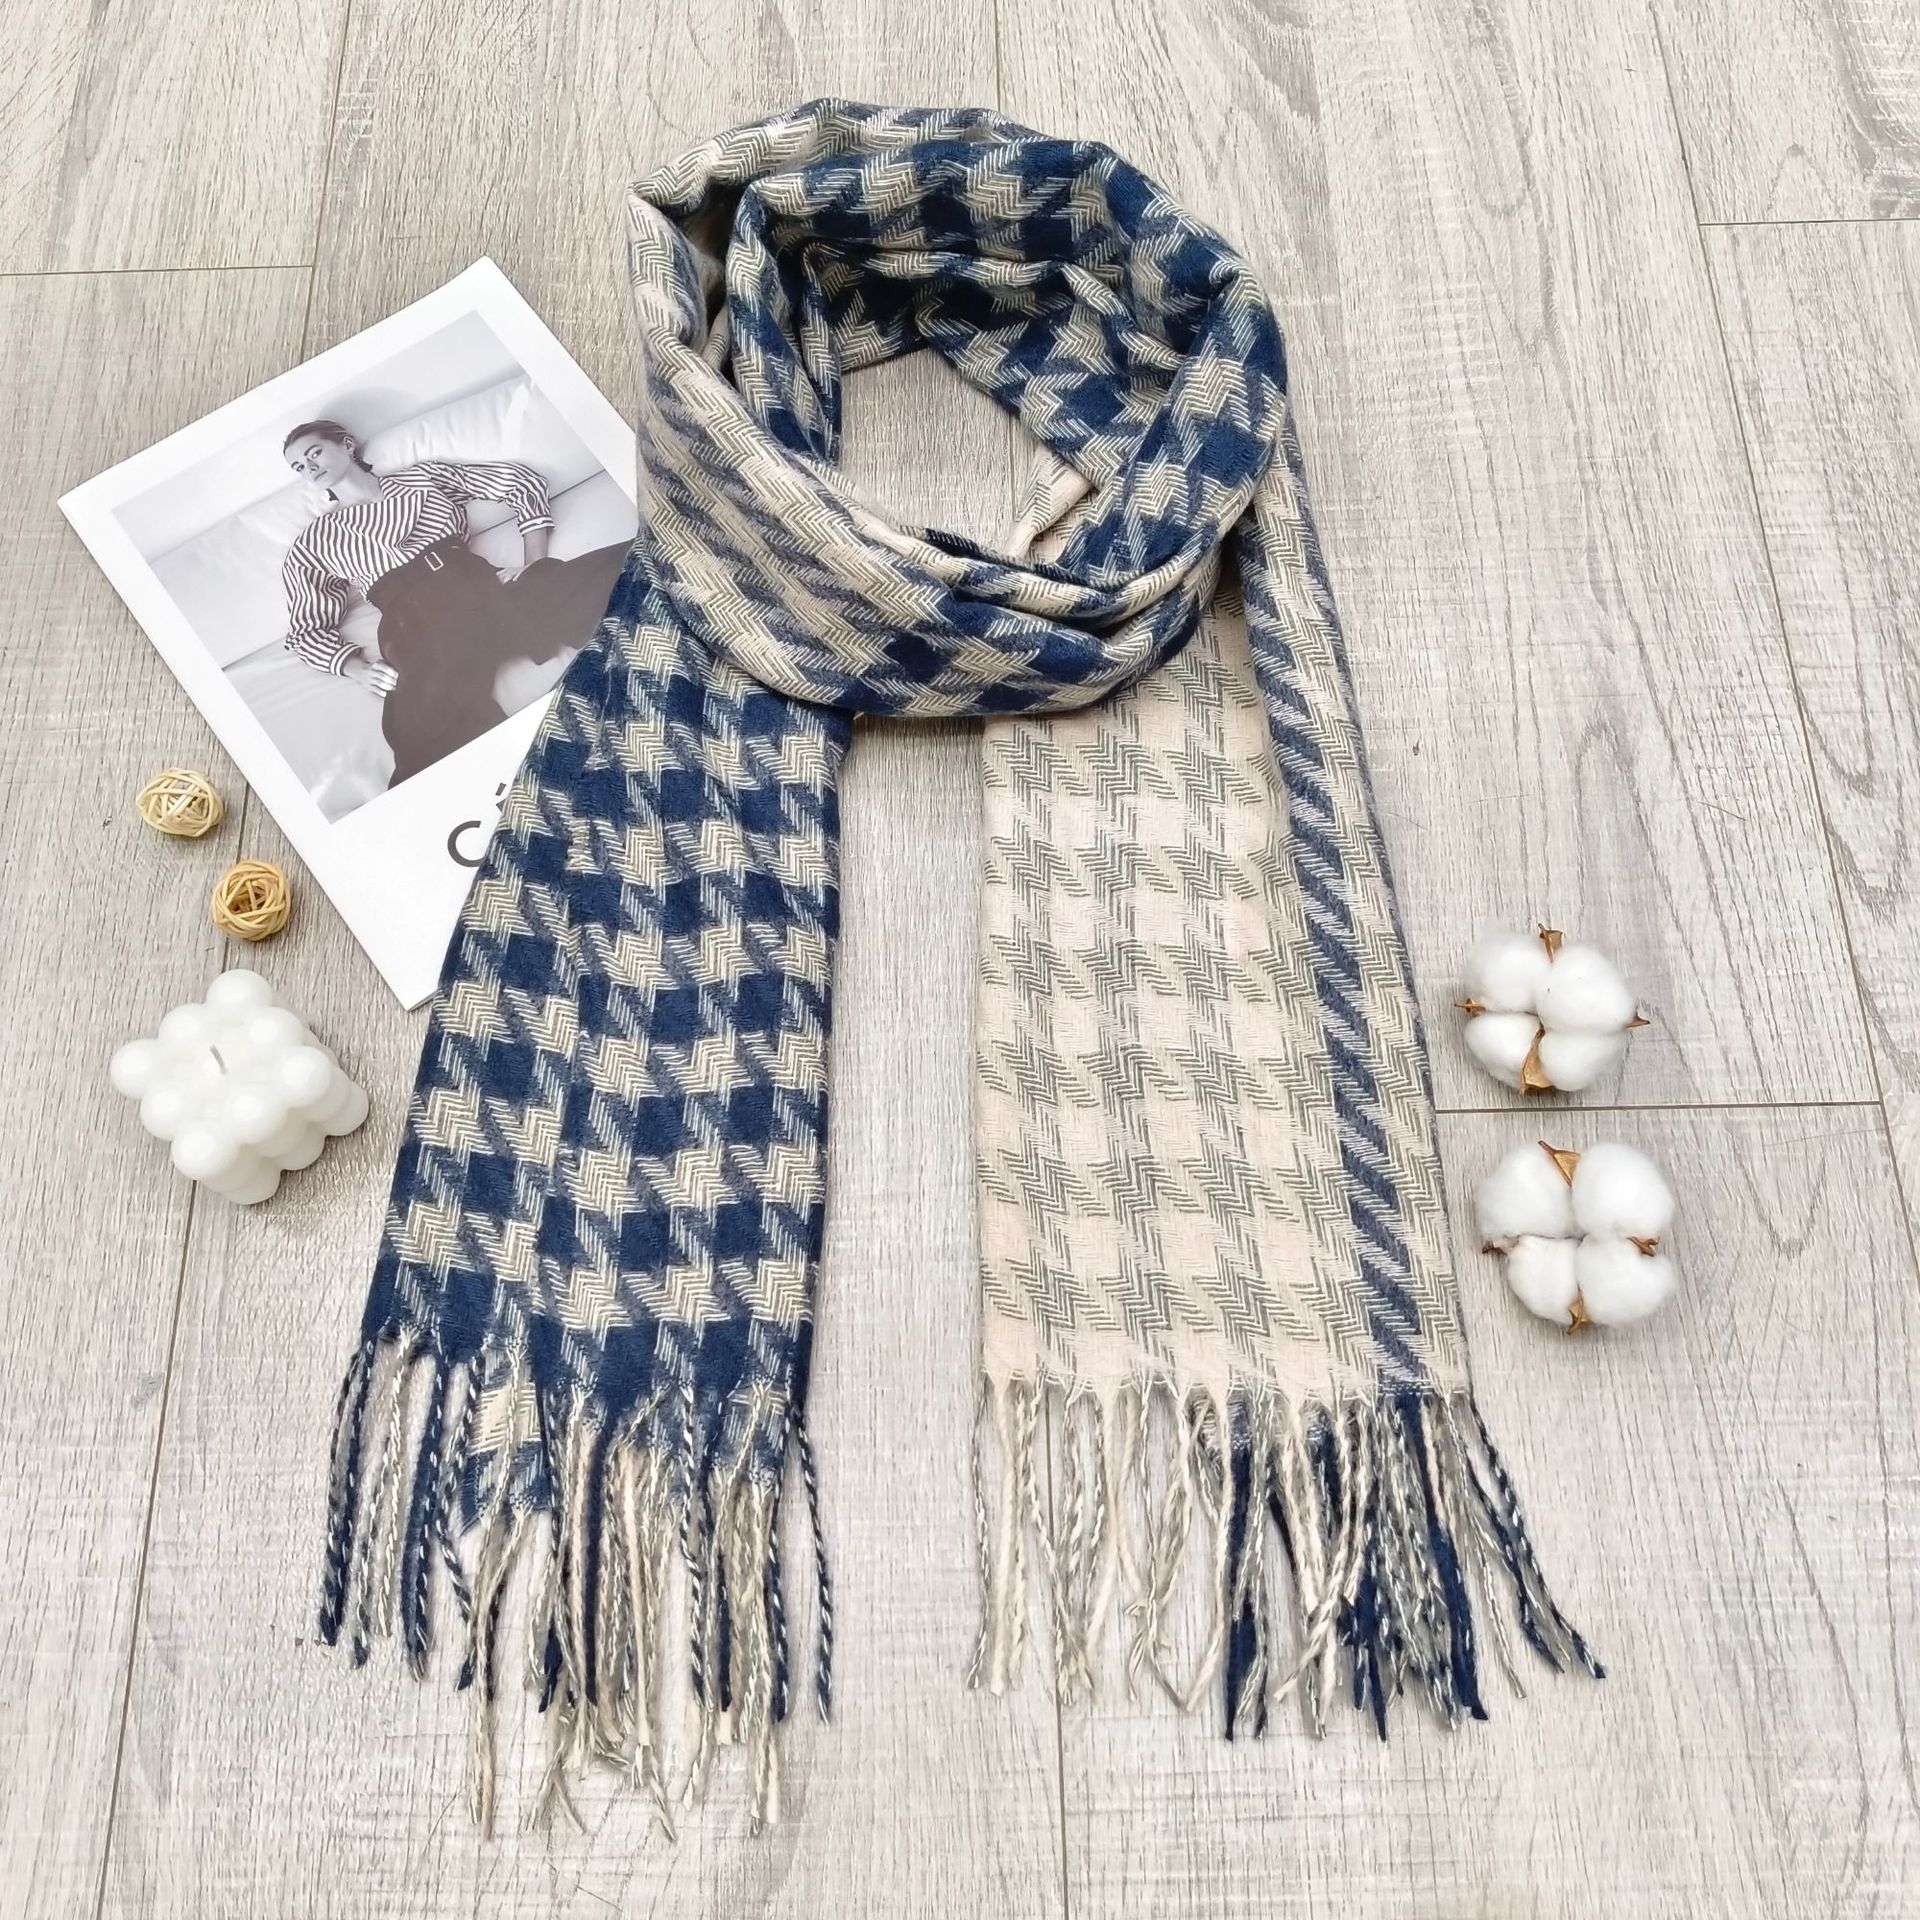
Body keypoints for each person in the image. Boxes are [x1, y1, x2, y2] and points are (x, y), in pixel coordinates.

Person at [279, 419, 628, 786]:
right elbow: (305, 630)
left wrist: (534, 562)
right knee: (423, 731)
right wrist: (355, 668)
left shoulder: (421, 479)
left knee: (619, 570)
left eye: (314, 453)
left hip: (479, 587)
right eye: (299, 467)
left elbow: (520, 482)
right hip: (413, 620)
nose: (309, 468)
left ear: (348, 445)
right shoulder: (315, 541)